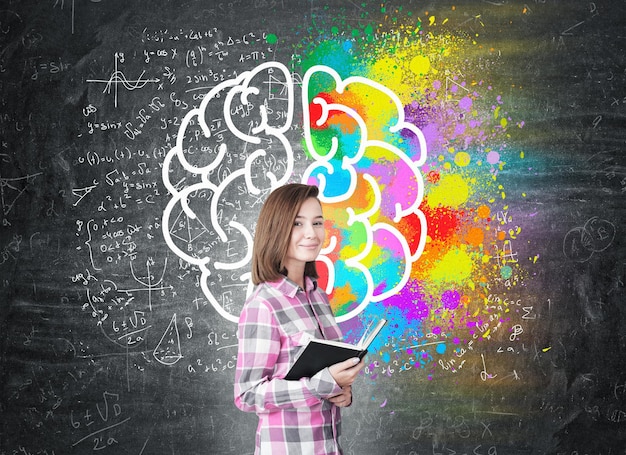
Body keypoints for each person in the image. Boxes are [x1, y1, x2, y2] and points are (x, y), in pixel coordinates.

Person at [234, 183, 365, 455]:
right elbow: (247, 394)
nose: (311, 233)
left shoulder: (317, 296)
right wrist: (318, 386)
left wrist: (340, 391)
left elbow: (325, 375)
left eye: (317, 223)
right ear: (276, 228)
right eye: (298, 223)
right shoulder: (263, 304)